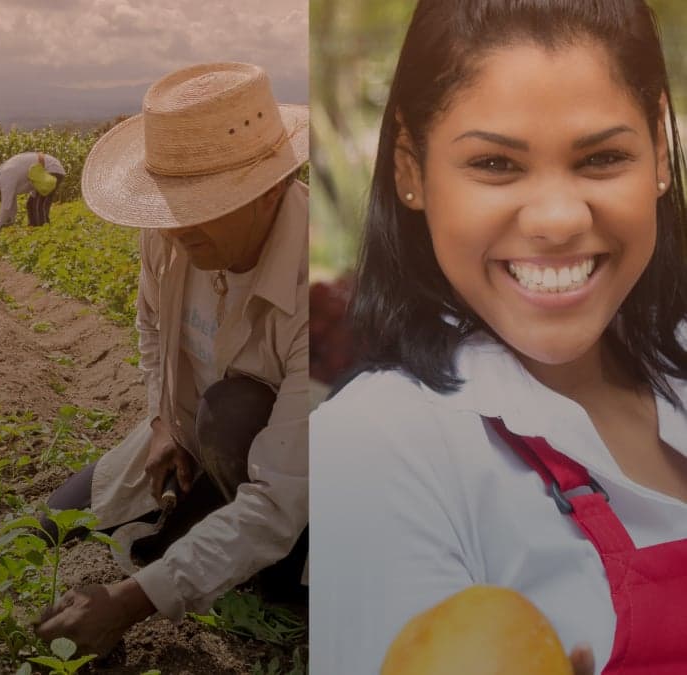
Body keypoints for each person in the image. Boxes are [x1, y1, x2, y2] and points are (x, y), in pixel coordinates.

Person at [309, 1, 687, 674]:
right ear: (409, 167)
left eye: (602, 157)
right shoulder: (376, 449)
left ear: (659, 151)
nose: (556, 219)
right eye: (495, 164)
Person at [33, 62, 309, 657]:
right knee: (45, 528)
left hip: (299, 485)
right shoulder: (167, 235)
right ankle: (196, 520)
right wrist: (162, 421)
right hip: (192, 443)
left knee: (231, 411)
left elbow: (281, 497)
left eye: (203, 203)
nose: (176, 226)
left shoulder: (331, 293)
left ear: (270, 191)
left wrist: (129, 604)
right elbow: (152, 324)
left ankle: (285, 572)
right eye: (170, 203)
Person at [0, 151, 66, 232]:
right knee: (30, 204)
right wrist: (10, 222)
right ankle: (34, 231)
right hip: (43, 174)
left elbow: (6, 207)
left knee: (39, 205)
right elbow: (12, 206)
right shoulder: (4, 174)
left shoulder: (4, 180)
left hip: (51, 169)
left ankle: (44, 233)